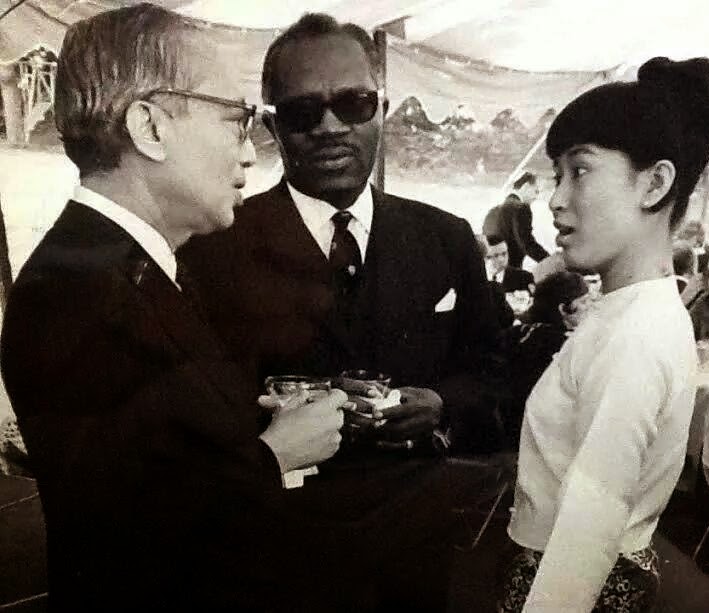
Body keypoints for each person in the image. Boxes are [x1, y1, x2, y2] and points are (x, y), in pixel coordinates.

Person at [0, 5, 347, 611]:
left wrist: (247, 425)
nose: (250, 153)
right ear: (150, 128)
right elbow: (123, 533)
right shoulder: (73, 293)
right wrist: (276, 453)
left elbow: (154, 456)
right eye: (236, 120)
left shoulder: (131, 265)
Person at [180, 13, 499, 613]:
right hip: (279, 556)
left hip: (414, 548)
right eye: (303, 112)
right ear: (272, 126)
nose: (330, 127)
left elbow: (492, 370)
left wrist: (441, 404)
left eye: (353, 104)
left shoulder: (446, 238)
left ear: (382, 109)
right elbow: (192, 418)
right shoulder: (213, 248)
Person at [498, 56, 709, 612]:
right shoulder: (633, 311)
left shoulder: (637, 333)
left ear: (654, 183)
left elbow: (591, 519)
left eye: (579, 171)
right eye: (557, 175)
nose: (556, 199)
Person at [499, 271, 591, 449]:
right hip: (546, 435)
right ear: (563, 309)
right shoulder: (565, 346)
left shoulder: (519, 332)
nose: (591, 307)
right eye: (584, 302)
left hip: (512, 428)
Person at [482, 171, 550, 268]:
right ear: (526, 186)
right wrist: (550, 262)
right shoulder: (521, 208)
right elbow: (526, 243)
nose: (536, 197)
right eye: (536, 191)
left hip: (492, 271)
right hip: (511, 272)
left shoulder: (492, 212)